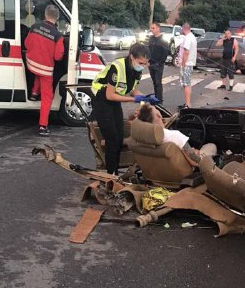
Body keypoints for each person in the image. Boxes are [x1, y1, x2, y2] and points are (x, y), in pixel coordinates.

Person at [91, 43, 156, 175]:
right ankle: (111, 174)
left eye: (145, 63)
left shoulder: (137, 70)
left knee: (120, 137)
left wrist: (146, 99)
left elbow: (133, 90)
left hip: (114, 99)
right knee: (112, 139)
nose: (143, 66)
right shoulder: (117, 67)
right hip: (102, 98)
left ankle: (115, 171)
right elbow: (109, 95)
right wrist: (134, 100)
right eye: (141, 62)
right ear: (132, 57)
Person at [24, 4, 65, 136]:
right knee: (47, 97)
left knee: (38, 74)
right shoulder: (58, 36)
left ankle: (34, 93)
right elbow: (58, 57)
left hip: (31, 64)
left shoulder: (34, 27)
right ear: (57, 18)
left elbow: (26, 44)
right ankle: (43, 126)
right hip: (45, 69)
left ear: (45, 15)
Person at [137, 102, 216, 163]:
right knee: (211, 146)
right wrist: (195, 152)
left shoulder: (142, 138)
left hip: (157, 171)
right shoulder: (175, 136)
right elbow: (195, 160)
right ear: (158, 115)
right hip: (183, 172)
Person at [147, 22, 169, 103]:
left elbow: (165, 53)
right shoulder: (151, 39)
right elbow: (148, 50)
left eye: (153, 28)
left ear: (158, 29)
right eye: (151, 28)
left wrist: (160, 63)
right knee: (154, 82)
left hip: (158, 64)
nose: (151, 30)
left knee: (158, 82)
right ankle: (156, 99)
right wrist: (148, 61)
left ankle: (159, 100)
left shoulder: (163, 41)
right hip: (151, 63)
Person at [177, 22, 197, 107]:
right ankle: (187, 103)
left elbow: (186, 52)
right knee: (186, 83)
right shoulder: (192, 37)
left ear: (184, 28)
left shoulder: (188, 38)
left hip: (187, 64)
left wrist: (183, 64)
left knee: (186, 84)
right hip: (189, 63)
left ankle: (188, 104)